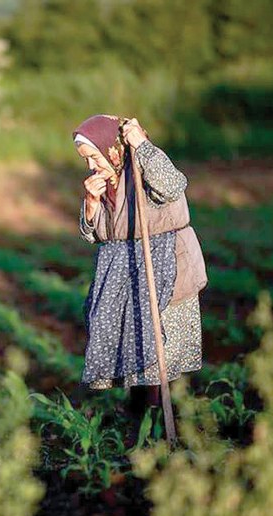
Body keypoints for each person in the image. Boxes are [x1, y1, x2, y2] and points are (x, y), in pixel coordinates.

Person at [72, 114, 208, 415]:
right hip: (125, 278)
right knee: (135, 356)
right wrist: (92, 205)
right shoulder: (108, 184)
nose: (91, 166)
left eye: (94, 157)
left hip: (166, 271)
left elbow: (173, 185)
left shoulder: (144, 166)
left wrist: (142, 145)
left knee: (158, 358)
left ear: (113, 148)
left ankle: (160, 426)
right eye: (86, 159)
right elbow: (97, 236)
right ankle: (141, 422)